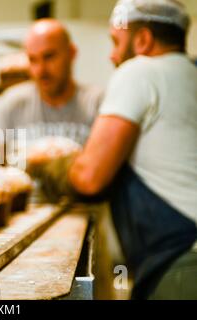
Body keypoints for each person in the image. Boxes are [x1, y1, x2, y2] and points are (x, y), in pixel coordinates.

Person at [39, 0, 197, 299]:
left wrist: (50, 168)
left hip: (182, 262)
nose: (112, 55)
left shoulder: (140, 71)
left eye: (115, 42)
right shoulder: (190, 72)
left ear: (143, 40)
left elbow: (90, 177)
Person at [0, 19, 103, 164]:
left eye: (49, 57)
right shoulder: (13, 102)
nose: (41, 70)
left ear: (71, 53)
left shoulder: (96, 102)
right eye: (33, 60)